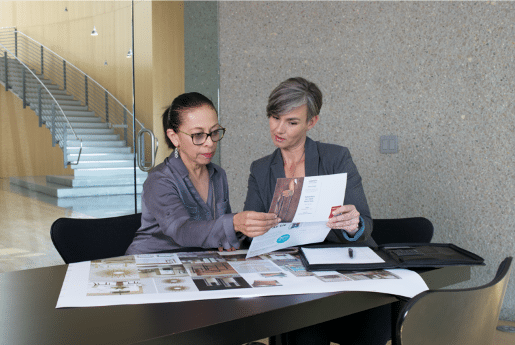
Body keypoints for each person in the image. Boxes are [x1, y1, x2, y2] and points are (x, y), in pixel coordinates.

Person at [243, 78, 389, 345]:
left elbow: (365, 223)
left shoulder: (336, 158)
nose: (279, 128)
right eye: (274, 117)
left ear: (312, 122)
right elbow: (250, 232)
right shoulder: (261, 169)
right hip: (294, 279)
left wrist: (352, 224)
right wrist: (250, 228)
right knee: (304, 336)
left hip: (342, 273)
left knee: (369, 328)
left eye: (292, 122)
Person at [126, 92, 280, 255]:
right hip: (151, 265)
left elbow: (220, 231)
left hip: (197, 262)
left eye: (214, 132)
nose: (210, 143)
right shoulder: (159, 180)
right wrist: (234, 223)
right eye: (198, 135)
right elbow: (182, 231)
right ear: (174, 137)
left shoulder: (218, 174)